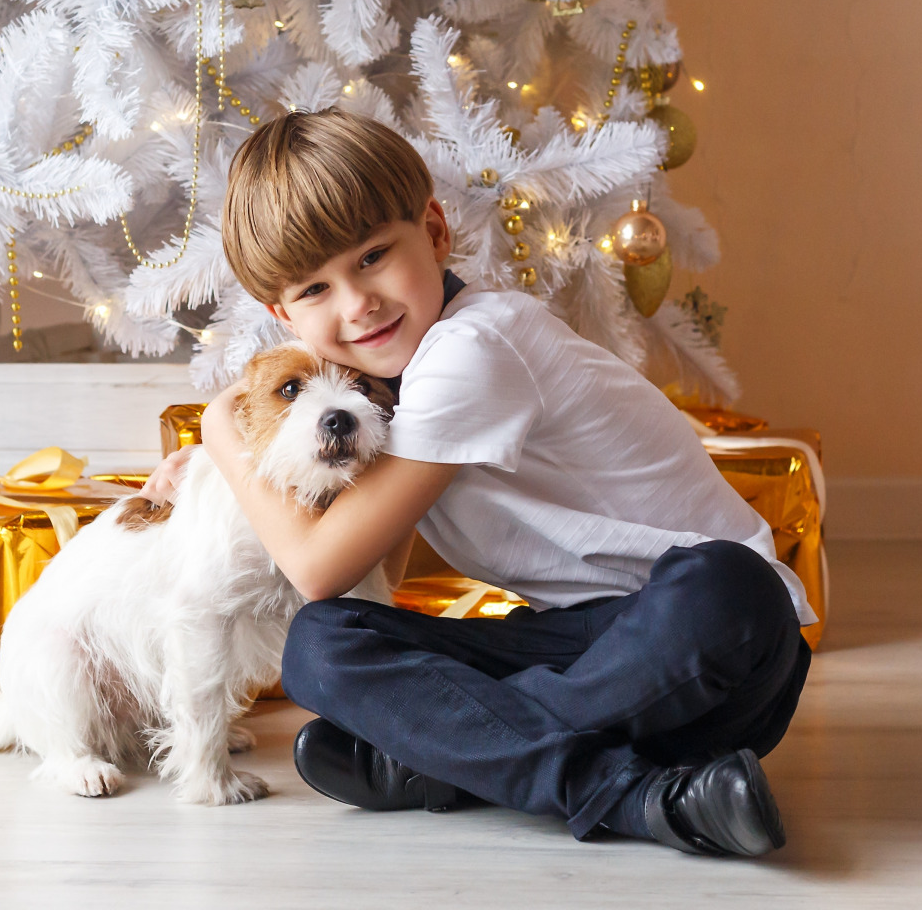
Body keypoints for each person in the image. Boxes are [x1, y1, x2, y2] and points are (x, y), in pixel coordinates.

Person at [142, 109, 817, 855]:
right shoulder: (382, 394)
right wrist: (233, 470)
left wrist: (219, 431)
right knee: (323, 644)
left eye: (373, 257)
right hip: (576, 648)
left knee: (727, 582)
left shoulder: (473, 349)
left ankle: (458, 758)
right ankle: (639, 795)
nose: (356, 303)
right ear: (281, 314)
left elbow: (318, 564)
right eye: (314, 289)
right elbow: (364, 575)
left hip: (714, 647)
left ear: (434, 233)